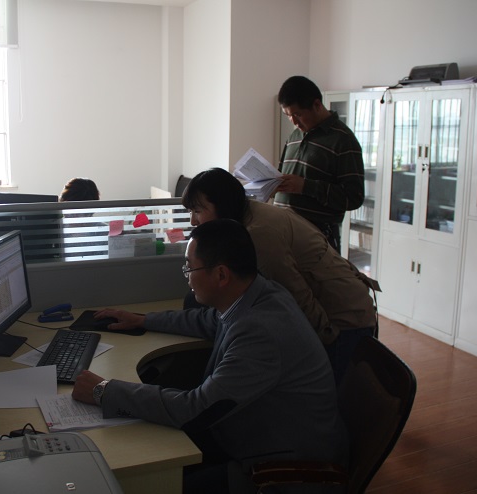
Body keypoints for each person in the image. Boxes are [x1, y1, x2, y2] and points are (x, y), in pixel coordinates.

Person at [72, 219, 347, 494]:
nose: (187, 276)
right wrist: (143, 320)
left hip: (283, 470)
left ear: (221, 275)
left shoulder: (261, 332)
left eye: (190, 267)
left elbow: (195, 410)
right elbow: (209, 320)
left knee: (155, 482)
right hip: (256, 436)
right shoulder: (260, 294)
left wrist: (104, 390)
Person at [182, 168, 377, 384]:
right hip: (332, 311)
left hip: (343, 318)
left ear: (222, 205)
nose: (193, 221)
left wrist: (326, 338)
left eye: (197, 211)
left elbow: (296, 295)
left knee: (339, 395)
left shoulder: (259, 234)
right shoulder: (246, 215)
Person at [276, 75, 365, 253]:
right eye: (288, 116)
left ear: (317, 105)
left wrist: (306, 186)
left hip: (317, 239)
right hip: (283, 233)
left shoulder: (343, 140)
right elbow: (281, 174)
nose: (294, 122)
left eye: (297, 114)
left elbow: (353, 197)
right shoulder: (294, 136)